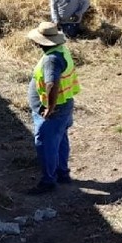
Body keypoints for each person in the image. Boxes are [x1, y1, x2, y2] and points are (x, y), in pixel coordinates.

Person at [26, 22, 81, 194]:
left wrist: (49, 108)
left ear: (42, 42)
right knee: (60, 139)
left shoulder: (51, 59)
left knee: (45, 143)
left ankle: (48, 181)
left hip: (53, 111)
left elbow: (51, 83)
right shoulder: (61, 50)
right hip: (65, 106)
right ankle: (62, 173)